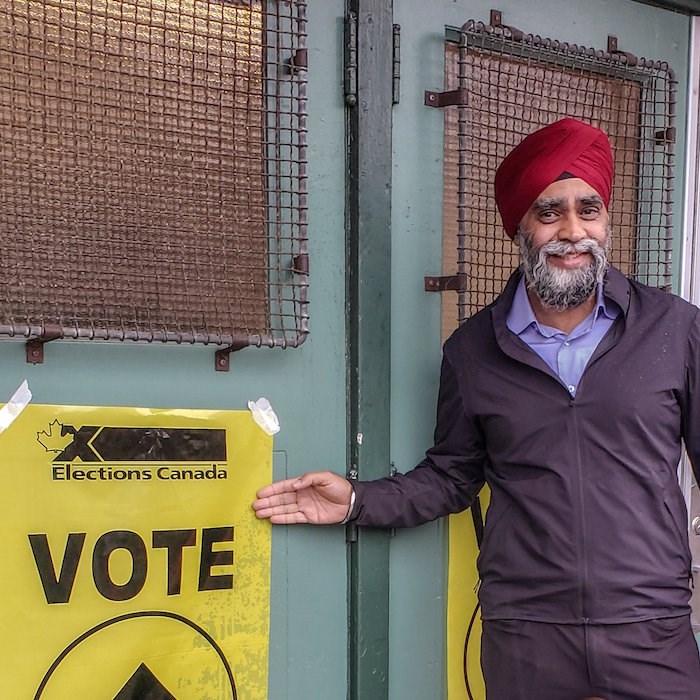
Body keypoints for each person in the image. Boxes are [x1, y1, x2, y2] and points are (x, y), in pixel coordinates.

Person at [253, 118, 700, 700]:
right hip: (526, 635)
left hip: (651, 627)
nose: (573, 230)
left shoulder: (672, 328)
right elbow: (452, 476)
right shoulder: (472, 351)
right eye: (550, 212)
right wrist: (359, 499)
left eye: (588, 209)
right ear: (520, 227)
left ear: (606, 220)